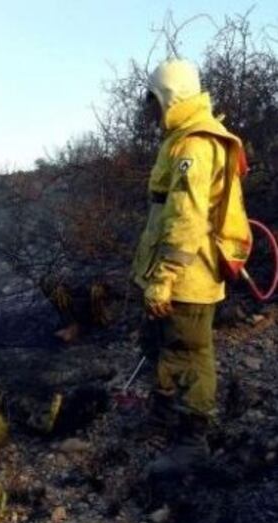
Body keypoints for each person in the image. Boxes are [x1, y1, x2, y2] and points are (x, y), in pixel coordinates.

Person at [132, 58, 251, 477]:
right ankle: (164, 421)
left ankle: (191, 443)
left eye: (154, 100)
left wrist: (163, 280)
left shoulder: (194, 146)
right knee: (167, 346)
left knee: (189, 354)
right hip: (179, 275)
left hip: (187, 278)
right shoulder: (183, 137)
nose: (150, 110)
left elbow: (185, 221)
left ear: (170, 97)